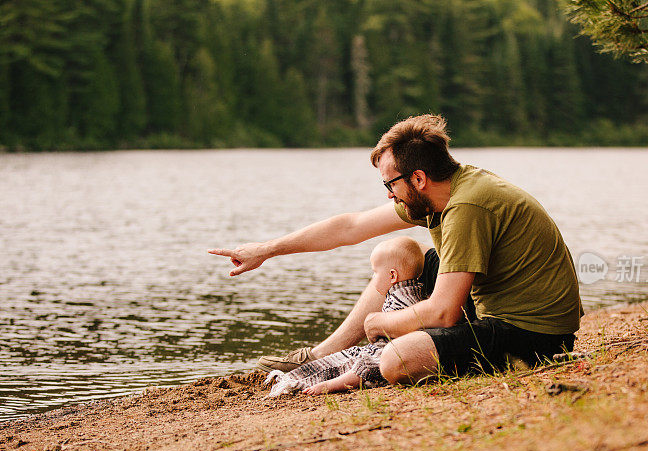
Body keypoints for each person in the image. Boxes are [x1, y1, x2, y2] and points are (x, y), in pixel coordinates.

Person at [209, 114, 583, 385]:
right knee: (397, 255)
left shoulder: (467, 208)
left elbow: (443, 312)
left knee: (397, 360)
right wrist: (267, 249)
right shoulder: (444, 190)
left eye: (390, 183)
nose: (388, 194)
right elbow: (350, 227)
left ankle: (393, 349)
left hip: (533, 335)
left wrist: (383, 323)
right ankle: (321, 354)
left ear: (418, 178)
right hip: (499, 308)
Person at [265, 237, 425, 396]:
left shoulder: (403, 300)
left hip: (385, 357)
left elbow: (394, 342)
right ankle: (308, 373)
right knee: (348, 356)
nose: (373, 278)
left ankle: (330, 384)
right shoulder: (412, 292)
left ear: (392, 276)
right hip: (385, 351)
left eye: (375, 273)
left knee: (362, 364)